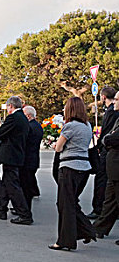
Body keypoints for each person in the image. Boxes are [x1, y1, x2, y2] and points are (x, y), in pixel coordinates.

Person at [49, 97, 96, 250]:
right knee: (72, 201)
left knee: (65, 204)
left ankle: (65, 241)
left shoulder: (69, 126)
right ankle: (86, 230)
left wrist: (56, 143)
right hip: (84, 167)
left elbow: (59, 148)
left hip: (69, 166)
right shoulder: (87, 126)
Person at [0, 96, 32, 225]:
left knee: (12, 185)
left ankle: (24, 214)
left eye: (7, 106)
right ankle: (2, 209)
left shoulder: (13, 118)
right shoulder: (23, 118)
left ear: (11, 106)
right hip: (17, 154)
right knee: (5, 183)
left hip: (11, 155)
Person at [88, 87, 119, 220]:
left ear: (103, 97)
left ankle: (98, 208)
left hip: (108, 150)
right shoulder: (112, 111)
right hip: (109, 148)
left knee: (102, 179)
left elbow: (107, 132)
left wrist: (100, 144)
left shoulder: (112, 112)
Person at [93, 90, 119, 243]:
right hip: (113, 167)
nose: (113, 102)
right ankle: (99, 228)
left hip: (116, 166)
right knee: (110, 200)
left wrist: (107, 139)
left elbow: (113, 138)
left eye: (116, 100)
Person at [19, 106, 43, 211]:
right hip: (34, 158)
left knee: (25, 186)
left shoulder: (29, 127)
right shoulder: (38, 126)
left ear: (28, 116)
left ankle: (24, 208)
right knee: (28, 182)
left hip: (26, 159)